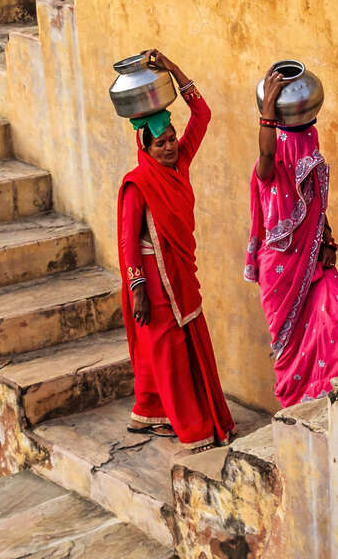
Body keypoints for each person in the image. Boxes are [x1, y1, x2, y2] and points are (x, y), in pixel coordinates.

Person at [117, 50, 234, 451]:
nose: (169, 147)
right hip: (155, 281)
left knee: (181, 348)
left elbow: (202, 114)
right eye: (161, 144)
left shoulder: (180, 164)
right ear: (144, 147)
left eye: (171, 140)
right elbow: (127, 241)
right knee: (166, 353)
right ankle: (193, 428)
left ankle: (155, 413)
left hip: (181, 272)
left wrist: (174, 70)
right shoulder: (137, 184)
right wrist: (137, 289)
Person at [246, 70, 338, 407]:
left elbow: (312, 201)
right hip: (281, 271)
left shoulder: (309, 156)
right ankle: (301, 409)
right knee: (293, 355)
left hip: (314, 260)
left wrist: (327, 236)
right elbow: (268, 156)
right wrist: (269, 112)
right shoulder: (267, 171)